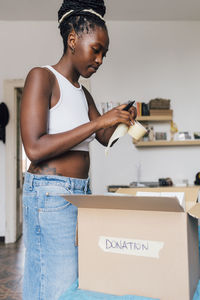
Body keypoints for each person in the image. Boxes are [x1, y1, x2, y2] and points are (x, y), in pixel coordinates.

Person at [20, 0, 136, 299]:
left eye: (104, 54)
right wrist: (99, 123)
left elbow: (103, 137)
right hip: (50, 193)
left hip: (78, 192)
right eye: (96, 49)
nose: (99, 59)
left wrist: (122, 121)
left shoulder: (83, 93)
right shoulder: (42, 77)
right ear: (73, 40)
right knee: (54, 285)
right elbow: (34, 147)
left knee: (71, 281)